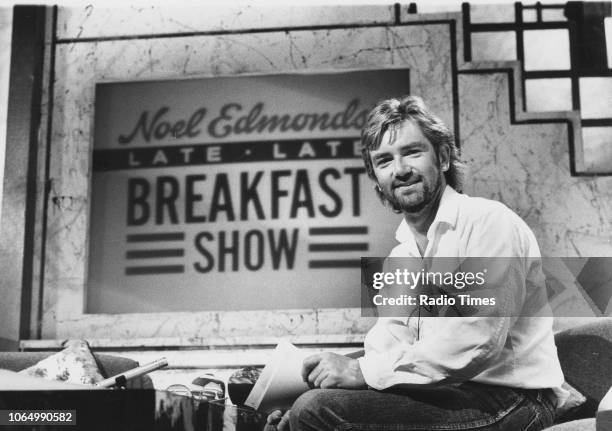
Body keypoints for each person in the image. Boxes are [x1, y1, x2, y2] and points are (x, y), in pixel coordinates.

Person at [266, 95, 567, 431]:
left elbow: (478, 338)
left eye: (412, 152)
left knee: (316, 411)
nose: (401, 170)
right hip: (448, 395)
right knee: (306, 411)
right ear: (377, 182)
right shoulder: (399, 258)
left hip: (514, 400)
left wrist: (357, 375)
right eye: (384, 161)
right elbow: (388, 344)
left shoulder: (489, 222)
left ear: (442, 157)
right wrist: (339, 389)